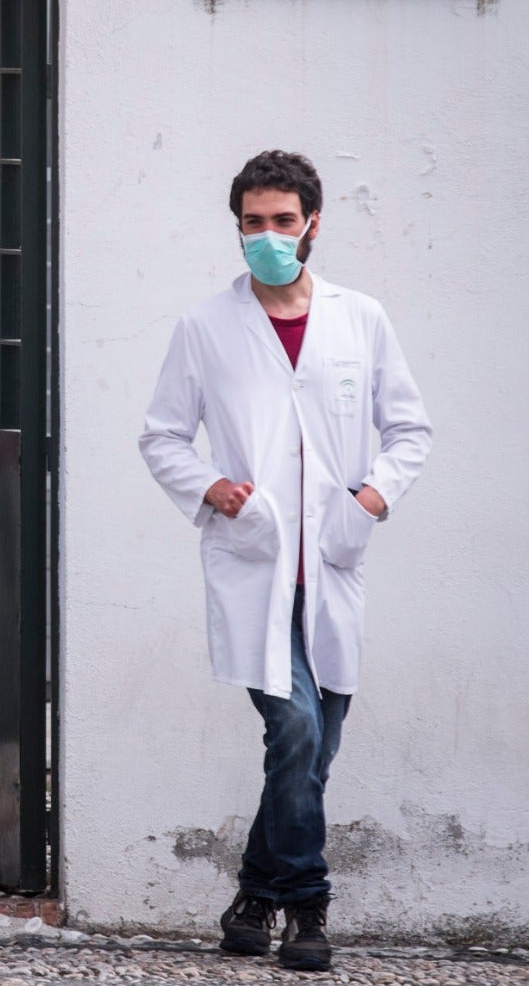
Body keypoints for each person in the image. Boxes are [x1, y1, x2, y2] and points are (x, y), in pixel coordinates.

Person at [140, 151, 432, 972]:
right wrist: (211, 487)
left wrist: (369, 498)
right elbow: (161, 434)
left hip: (332, 562)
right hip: (256, 565)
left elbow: (410, 429)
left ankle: (252, 897)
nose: (266, 235)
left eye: (281, 220)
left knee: (314, 748)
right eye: (251, 222)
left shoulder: (359, 318)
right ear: (236, 226)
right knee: (297, 725)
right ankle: (307, 906)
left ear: (312, 224)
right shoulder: (206, 326)